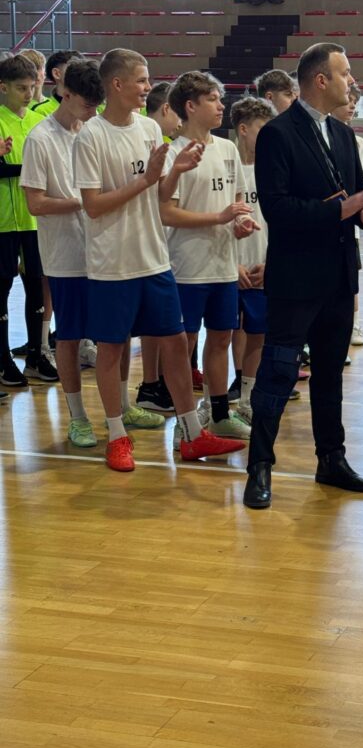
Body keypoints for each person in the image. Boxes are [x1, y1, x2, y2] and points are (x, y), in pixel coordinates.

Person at [73, 48, 245, 471]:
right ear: (117, 84)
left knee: (175, 344)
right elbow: (93, 206)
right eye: (141, 79)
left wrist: (175, 172)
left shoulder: (150, 128)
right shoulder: (91, 135)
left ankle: (191, 433)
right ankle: (117, 435)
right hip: (112, 262)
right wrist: (147, 179)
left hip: (155, 259)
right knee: (112, 350)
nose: (149, 87)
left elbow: (159, 194)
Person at [242, 43, 363, 509]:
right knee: (278, 372)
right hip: (296, 277)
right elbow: (278, 210)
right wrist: (343, 209)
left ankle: (331, 459)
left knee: (330, 374)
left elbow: (353, 202)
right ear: (321, 80)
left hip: (338, 275)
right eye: (345, 73)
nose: (352, 81)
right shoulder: (278, 133)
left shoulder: (344, 135)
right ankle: (259, 466)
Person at [161, 70, 259, 447]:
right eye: (213, 100)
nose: (222, 106)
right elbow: (167, 214)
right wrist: (219, 218)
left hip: (223, 265)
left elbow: (236, 204)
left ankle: (218, 415)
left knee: (220, 338)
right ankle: (185, 421)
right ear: (190, 106)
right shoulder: (172, 153)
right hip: (186, 266)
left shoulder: (227, 149)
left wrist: (240, 224)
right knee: (183, 344)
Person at [20, 59, 104, 447]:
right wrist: (84, 202)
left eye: (96, 106)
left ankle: (120, 408)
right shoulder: (41, 138)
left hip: (103, 251)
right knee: (69, 337)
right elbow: (35, 203)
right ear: (64, 93)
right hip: (65, 255)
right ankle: (78, 417)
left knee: (111, 335)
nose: (92, 113)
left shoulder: (94, 131)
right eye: (86, 105)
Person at [0, 53, 56, 386]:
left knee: (36, 284)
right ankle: (3, 359)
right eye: (21, 88)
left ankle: (36, 354)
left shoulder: (38, 121)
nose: (28, 93)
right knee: (3, 288)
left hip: (34, 220)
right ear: (3, 87)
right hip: (4, 222)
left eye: (32, 87)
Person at [135, 80, 183, 415]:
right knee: (149, 326)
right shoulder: (158, 143)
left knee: (162, 325)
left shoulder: (161, 141)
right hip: (147, 245)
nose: (179, 121)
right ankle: (150, 384)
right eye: (177, 112)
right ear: (166, 108)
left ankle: (157, 382)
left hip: (158, 245)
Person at [228, 95, 277, 424]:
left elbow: (283, 223)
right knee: (227, 331)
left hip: (262, 264)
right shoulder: (226, 167)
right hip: (228, 266)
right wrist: (231, 265)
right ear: (243, 129)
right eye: (263, 129)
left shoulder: (274, 170)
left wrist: (272, 262)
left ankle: (249, 394)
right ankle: (232, 386)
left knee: (257, 332)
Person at [331, 82, 363, 346]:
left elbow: (358, 184)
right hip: (327, 221)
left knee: (350, 279)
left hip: (349, 228)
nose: (352, 106)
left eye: (355, 102)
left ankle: (353, 325)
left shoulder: (356, 141)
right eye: (348, 100)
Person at [31, 50, 83, 117]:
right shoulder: (40, 111)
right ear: (56, 74)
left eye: (82, 69)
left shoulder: (90, 109)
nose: (80, 73)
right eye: (73, 69)